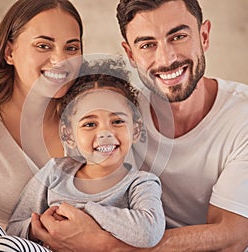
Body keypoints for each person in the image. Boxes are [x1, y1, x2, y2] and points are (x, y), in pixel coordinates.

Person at [25, 0, 248, 251]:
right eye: (147, 45)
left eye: (178, 36)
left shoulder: (243, 117)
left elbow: (232, 237)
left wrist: (105, 245)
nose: (166, 58)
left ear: (204, 36)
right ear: (130, 53)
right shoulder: (115, 109)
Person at [0, 59, 165, 251]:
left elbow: (149, 232)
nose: (105, 133)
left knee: (4, 246)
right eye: (89, 124)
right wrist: (37, 229)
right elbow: (14, 227)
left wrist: (88, 212)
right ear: (69, 135)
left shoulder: (141, 183)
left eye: (117, 121)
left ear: (136, 130)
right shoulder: (56, 171)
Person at [0, 0, 83, 251]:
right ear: (9, 52)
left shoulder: (91, 116)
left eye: (71, 48)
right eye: (43, 45)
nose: (61, 60)